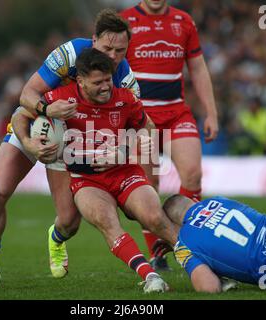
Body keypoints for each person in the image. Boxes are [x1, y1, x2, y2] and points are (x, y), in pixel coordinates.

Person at [0, 9, 140, 290]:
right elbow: (26, 95)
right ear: (93, 39)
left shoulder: (125, 79)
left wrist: (120, 150)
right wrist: (38, 126)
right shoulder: (69, 54)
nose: (112, 56)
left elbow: (137, 125)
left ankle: (56, 238)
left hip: (74, 143)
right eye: (107, 48)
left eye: (120, 50)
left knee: (70, 223)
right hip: (34, 125)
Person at [45, 48, 177, 292]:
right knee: (98, 223)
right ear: (80, 81)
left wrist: (123, 151)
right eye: (98, 82)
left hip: (125, 172)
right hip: (87, 180)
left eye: (108, 80)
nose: (106, 87)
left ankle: (208, 264)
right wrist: (39, 123)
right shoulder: (60, 99)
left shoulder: (125, 98)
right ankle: (151, 277)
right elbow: (22, 112)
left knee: (155, 217)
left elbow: (147, 127)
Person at [120, 0, 219, 269]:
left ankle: (185, 237)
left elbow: (197, 68)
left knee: (193, 174)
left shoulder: (184, 21)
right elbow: (110, 68)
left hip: (176, 113)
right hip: (140, 118)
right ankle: (157, 251)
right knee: (147, 189)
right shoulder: (124, 22)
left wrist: (211, 112)